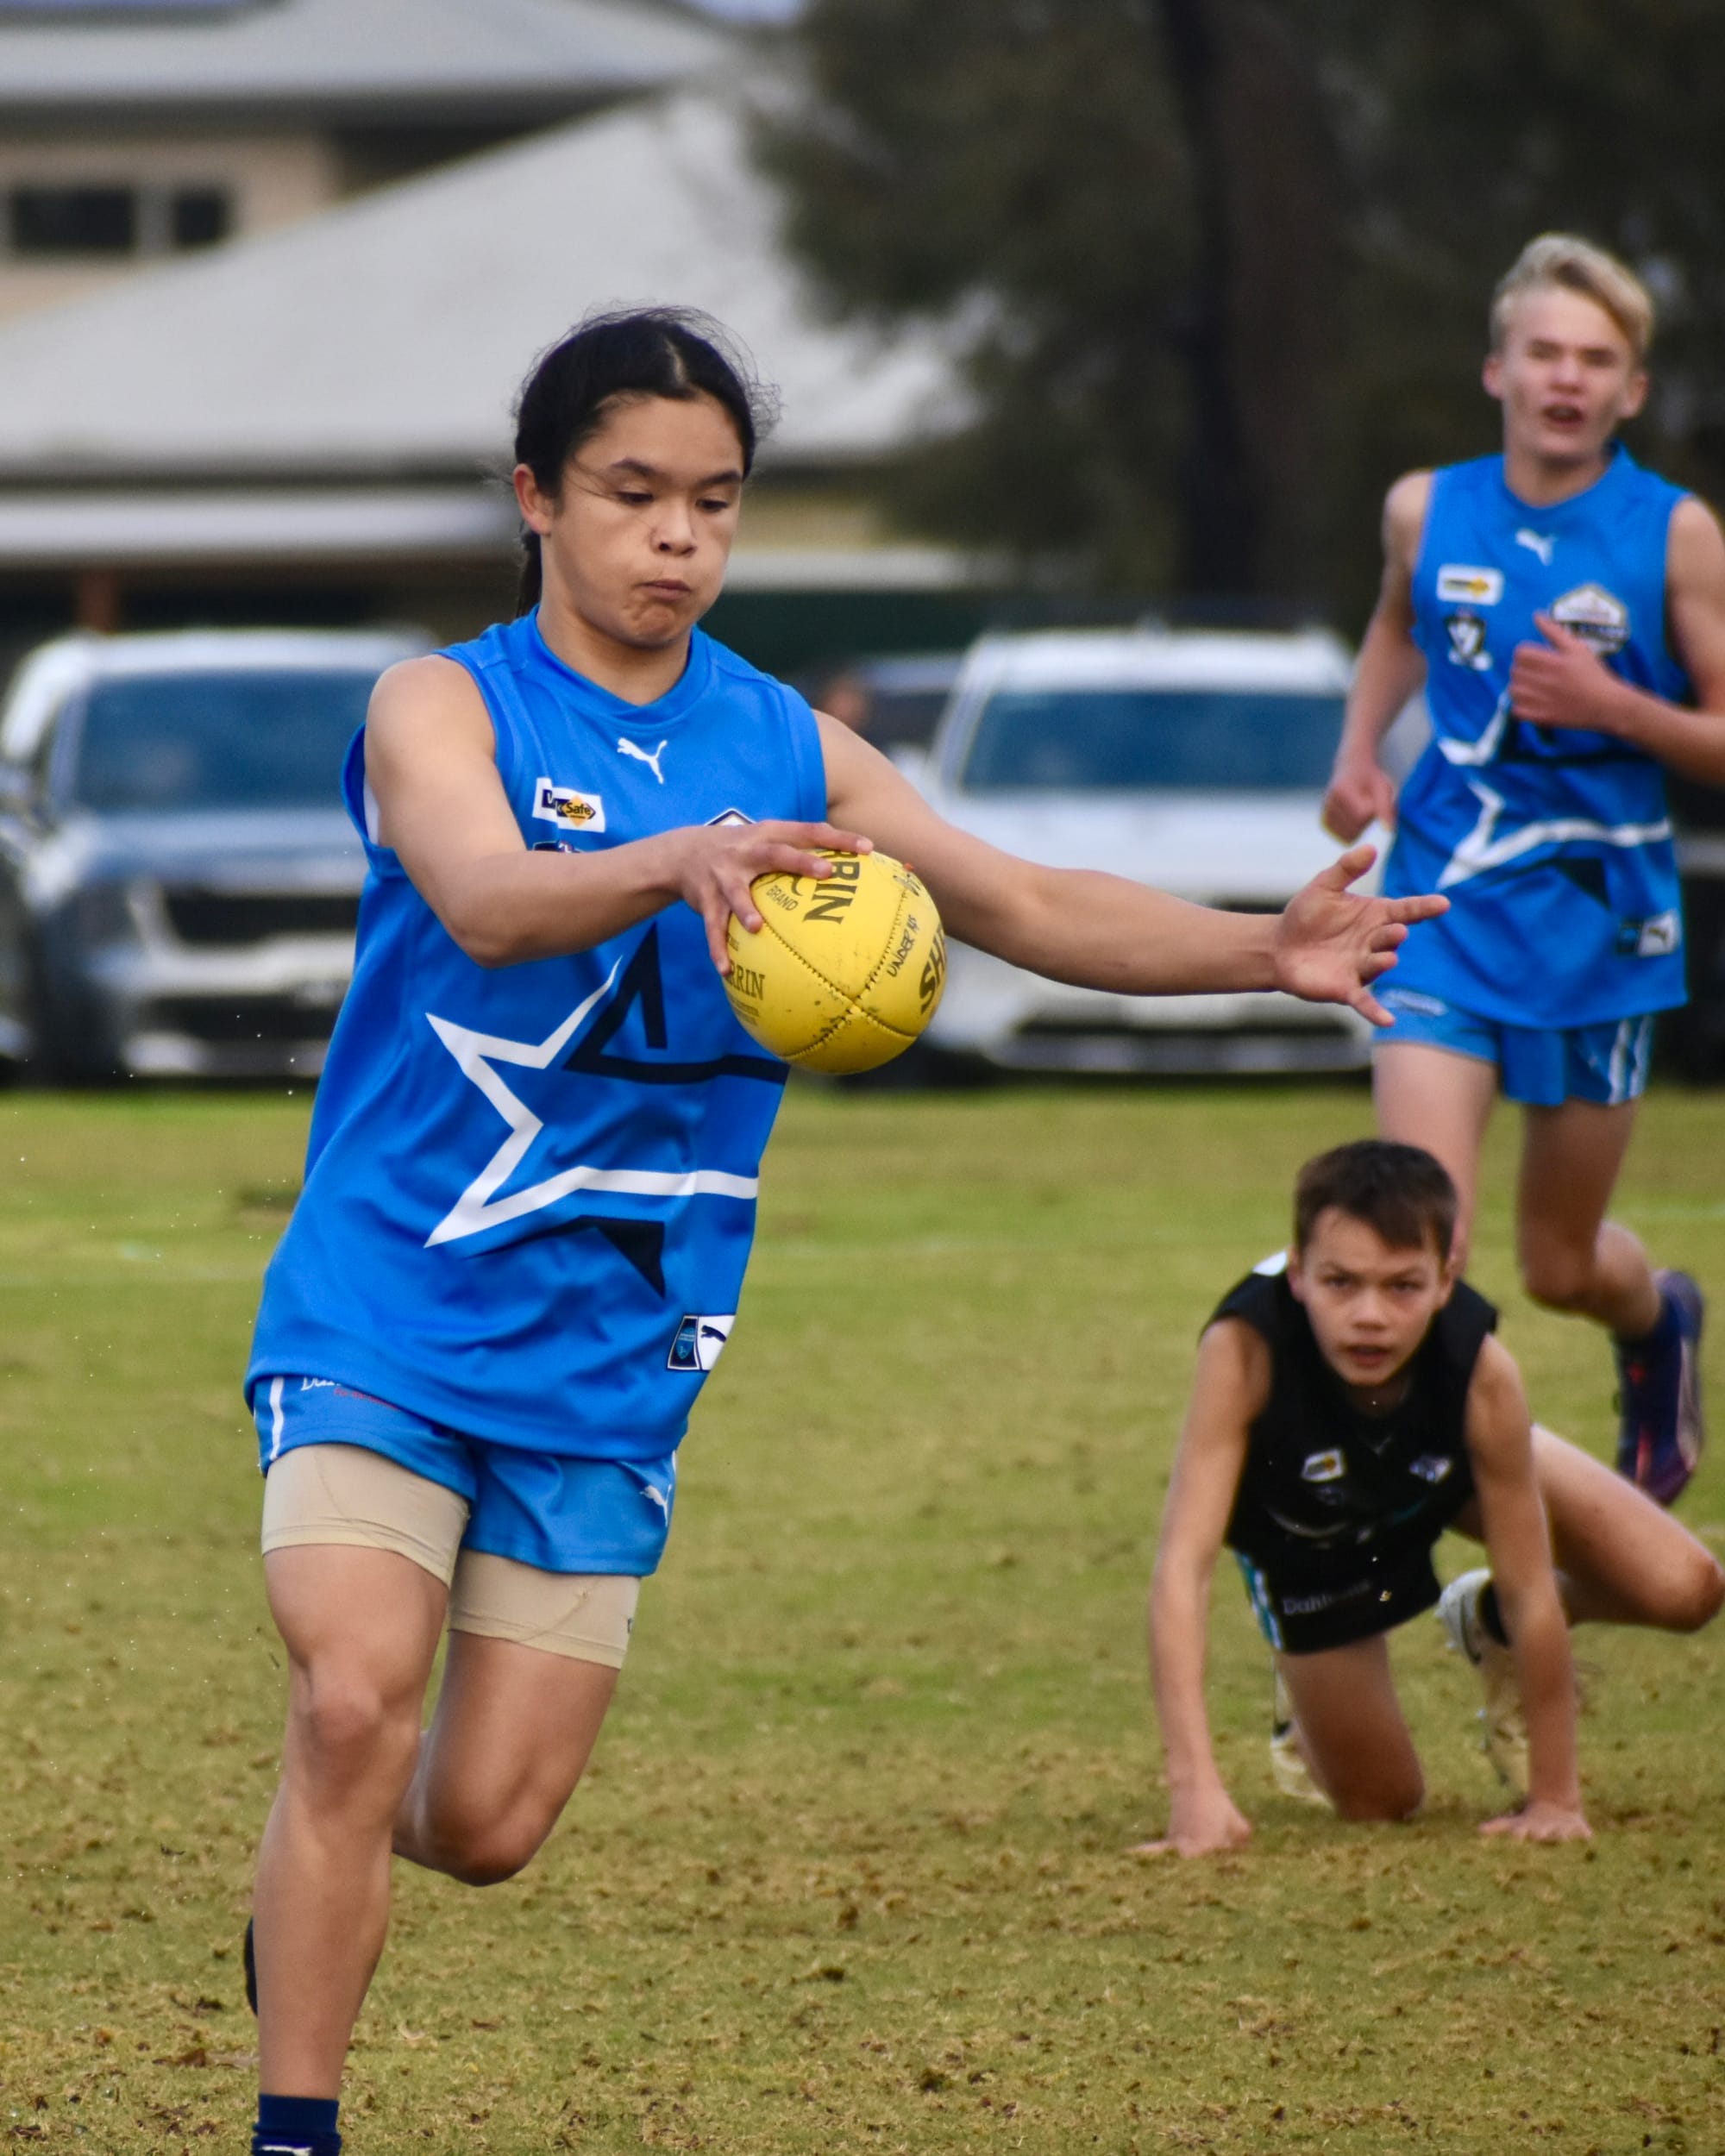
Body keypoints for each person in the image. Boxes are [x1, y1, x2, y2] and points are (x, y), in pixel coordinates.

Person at [237, 308, 1444, 2156]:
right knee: (348, 1697)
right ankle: (293, 2117)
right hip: (389, 1293)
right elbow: (482, 898)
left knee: (478, 1820)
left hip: (611, 1343)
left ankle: (338, 1852)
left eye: (712, 503)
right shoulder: (441, 705)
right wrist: (680, 856)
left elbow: (1025, 896)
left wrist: (1256, 951)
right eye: (631, 493)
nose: (674, 539)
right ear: (535, 498)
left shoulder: (785, 741)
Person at [1321, 234, 1725, 1507]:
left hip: (1600, 926)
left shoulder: (1675, 536)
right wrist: (1357, 752)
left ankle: (1656, 1322)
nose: (1567, 378)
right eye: (1545, 351)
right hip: (1442, 900)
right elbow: (1395, 626)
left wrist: (1621, 708)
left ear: (1633, 392)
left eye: (1596, 359)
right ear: (1496, 369)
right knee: (1417, 1231)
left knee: (1556, 1265)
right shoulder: (1422, 508)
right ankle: (1416, 1496)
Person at [1137, 1139, 1723, 1861]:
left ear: (1448, 1281)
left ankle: (1482, 1624)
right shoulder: (1244, 1350)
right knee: (1382, 1804)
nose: (1371, 1316)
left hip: (1436, 1470)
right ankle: (1304, 1703)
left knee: (1686, 1588)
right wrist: (1194, 1791)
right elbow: (1181, 1569)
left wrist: (1554, 1797)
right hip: (1311, 1541)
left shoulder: (1480, 1372)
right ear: (1298, 1275)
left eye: (1403, 1287)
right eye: (1341, 1284)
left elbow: (1532, 1588)